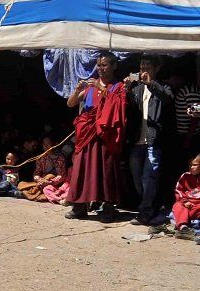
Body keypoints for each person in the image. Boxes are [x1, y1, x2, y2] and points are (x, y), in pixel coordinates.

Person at [65, 53, 127, 221]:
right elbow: (70, 103)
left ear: (114, 66)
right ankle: (79, 207)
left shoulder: (118, 87)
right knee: (81, 169)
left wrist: (102, 90)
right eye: (99, 65)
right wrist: (77, 90)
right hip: (87, 134)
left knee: (105, 171)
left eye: (104, 65)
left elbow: (120, 106)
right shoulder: (90, 85)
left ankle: (107, 207)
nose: (101, 69)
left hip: (105, 135)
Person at [124, 55, 174, 224]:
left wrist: (150, 83)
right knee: (137, 177)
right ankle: (148, 206)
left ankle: (146, 212)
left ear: (156, 68)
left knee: (149, 177)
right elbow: (130, 108)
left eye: (148, 66)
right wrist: (127, 90)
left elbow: (167, 98)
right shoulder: (137, 87)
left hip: (154, 139)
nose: (144, 70)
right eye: (142, 66)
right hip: (137, 139)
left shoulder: (163, 86)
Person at [17, 135, 68, 202]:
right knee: (21, 184)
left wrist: (49, 182)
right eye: (44, 144)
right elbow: (37, 171)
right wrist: (38, 178)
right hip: (42, 181)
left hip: (54, 183)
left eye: (48, 144)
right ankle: (38, 194)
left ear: (54, 144)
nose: (45, 146)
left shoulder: (60, 158)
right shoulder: (41, 157)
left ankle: (57, 199)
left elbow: (61, 176)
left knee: (47, 188)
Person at [171, 154, 200, 239]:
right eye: (190, 165)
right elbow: (178, 190)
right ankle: (183, 228)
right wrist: (185, 201)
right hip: (186, 204)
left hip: (197, 206)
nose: (191, 167)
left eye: (194, 165)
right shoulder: (185, 176)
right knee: (177, 206)